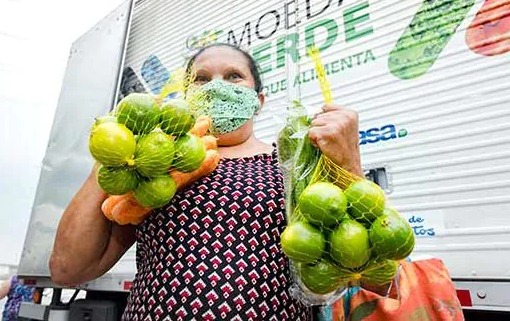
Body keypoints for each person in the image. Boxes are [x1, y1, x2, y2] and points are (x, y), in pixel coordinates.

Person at [49, 43, 363, 320]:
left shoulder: (291, 164)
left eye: (233, 76)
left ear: (259, 99)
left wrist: (349, 162)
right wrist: (114, 151)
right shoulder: (158, 165)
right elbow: (68, 269)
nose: (215, 86)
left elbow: (364, 267)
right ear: (187, 97)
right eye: (201, 79)